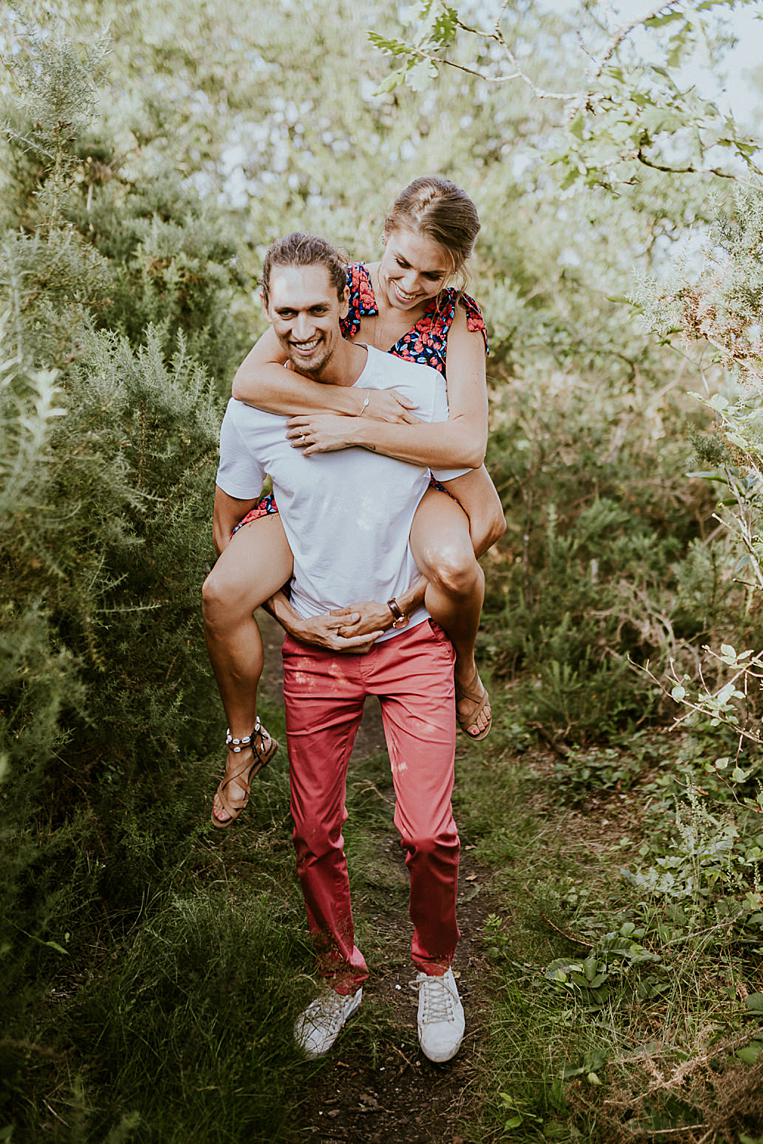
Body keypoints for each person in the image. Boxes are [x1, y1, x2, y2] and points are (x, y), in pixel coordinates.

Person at [212, 233, 468, 1063]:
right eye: (284, 312)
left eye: (316, 309)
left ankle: (435, 970)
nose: (301, 327)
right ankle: (342, 977)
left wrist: (407, 601)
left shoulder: (415, 388)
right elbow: (231, 527)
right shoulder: (254, 409)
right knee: (313, 835)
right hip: (315, 650)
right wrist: (288, 616)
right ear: (267, 313)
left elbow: (477, 513)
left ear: (345, 304)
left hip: (408, 639)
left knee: (427, 833)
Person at [204, 176, 504, 829]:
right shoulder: (341, 291)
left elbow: (466, 440)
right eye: (401, 263)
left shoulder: (458, 318)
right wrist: (353, 403)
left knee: (456, 564)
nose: (409, 284)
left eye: (432, 272)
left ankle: (461, 667)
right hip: (325, 481)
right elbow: (251, 380)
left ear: (456, 269)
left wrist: (364, 429)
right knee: (223, 594)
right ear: (384, 236)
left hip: (412, 480)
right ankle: (243, 741)